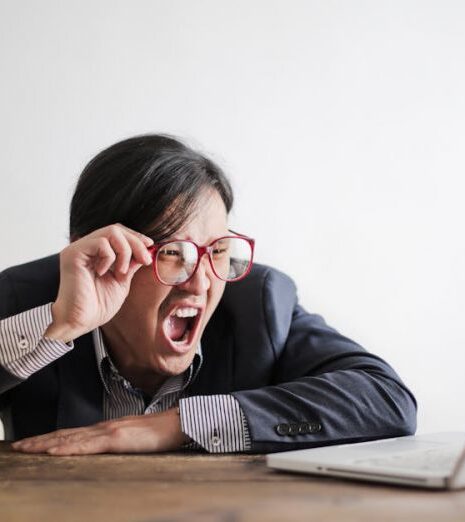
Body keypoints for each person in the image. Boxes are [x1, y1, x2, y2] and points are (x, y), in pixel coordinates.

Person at [0, 134, 417, 455]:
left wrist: (176, 424)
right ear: (94, 252)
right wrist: (59, 326)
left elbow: (387, 399)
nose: (200, 282)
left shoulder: (259, 304)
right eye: (171, 253)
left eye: (217, 250)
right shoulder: (25, 299)